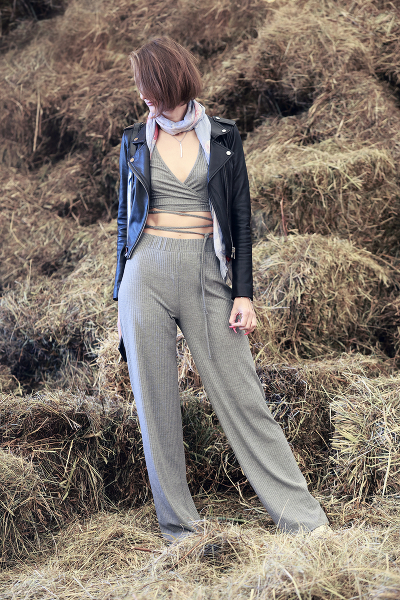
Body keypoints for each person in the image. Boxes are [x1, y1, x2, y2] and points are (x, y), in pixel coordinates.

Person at [114, 36, 329, 544]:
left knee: (244, 397)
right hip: (145, 274)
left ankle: (306, 523)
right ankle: (180, 531)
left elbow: (241, 221)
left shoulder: (225, 137)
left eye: (149, 86)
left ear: (171, 81)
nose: (143, 96)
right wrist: (119, 293)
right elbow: (124, 221)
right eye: (140, 87)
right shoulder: (134, 140)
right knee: (156, 407)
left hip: (206, 271)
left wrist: (244, 294)